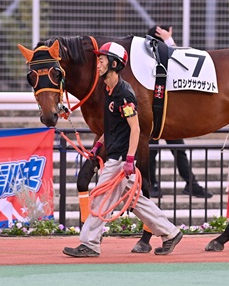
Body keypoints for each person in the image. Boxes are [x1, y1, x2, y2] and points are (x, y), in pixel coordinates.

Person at [63, 42, 183, 257]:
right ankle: (171, 233)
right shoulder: (108, 90)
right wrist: (98, 146)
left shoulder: (124, 94)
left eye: (102, 60)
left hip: (119, 159)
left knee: (99, 199)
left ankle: (89, 244)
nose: (97, 64)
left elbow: (135, 128)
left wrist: (129, 160)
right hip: (115, 155)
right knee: (136, 201)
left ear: (114, 63)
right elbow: (109, 127)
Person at [146, 25, 213, 199]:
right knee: (151, 150)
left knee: (178, 149)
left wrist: (168, 40)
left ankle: (191, 184)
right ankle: (151, 183)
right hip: (154, 113)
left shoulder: (160, 54)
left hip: (168, 114)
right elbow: (177, 58)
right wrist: (169, 41)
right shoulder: (149, 55)